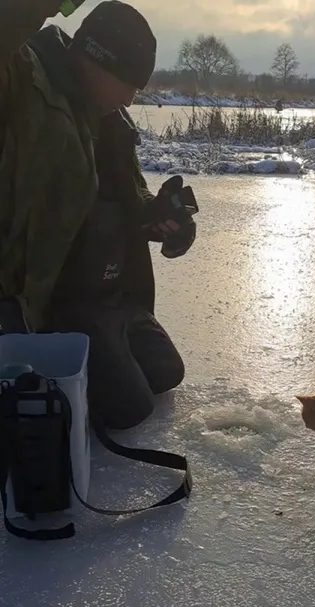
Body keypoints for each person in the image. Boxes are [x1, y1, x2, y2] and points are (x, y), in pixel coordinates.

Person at [0, 0, 195, 429]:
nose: (129, 98)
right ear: (91, 56)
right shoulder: (18, 80)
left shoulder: (107, 119)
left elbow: (129, 191)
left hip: (100, 291)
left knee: (165, 373)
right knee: (128, 409)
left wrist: (160, 217)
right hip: (36, 297)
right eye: (126, 82)